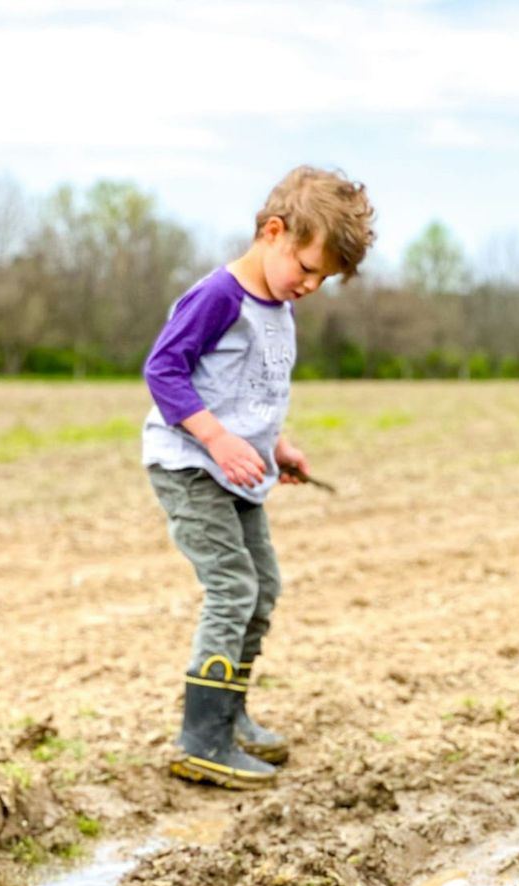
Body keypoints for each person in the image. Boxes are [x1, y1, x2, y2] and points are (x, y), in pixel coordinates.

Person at [142, 165, 374, 788]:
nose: (312, 284)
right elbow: (164, 369)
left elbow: (248, 392)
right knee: (233, 588)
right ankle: (202, 739)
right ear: (275, 232)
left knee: (262, 586)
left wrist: (277, 446)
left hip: (237, 471)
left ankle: (230, 713)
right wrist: (216, 438)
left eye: (324, 278)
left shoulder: (278, 306)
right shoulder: (220, 296)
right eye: (307, 267)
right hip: (190, 465)